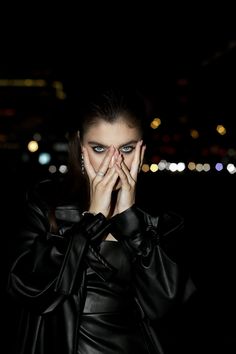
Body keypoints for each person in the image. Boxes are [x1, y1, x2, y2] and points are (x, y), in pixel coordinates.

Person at [7, 87, 195, 354]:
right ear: (81, 148)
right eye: (99, 149)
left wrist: (131, 223)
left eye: (126, 149)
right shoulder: (44, 204)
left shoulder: (157, 219)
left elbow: (167, 306)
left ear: (142, 150)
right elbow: (23, 288)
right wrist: (90, 223)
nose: (113, 163)